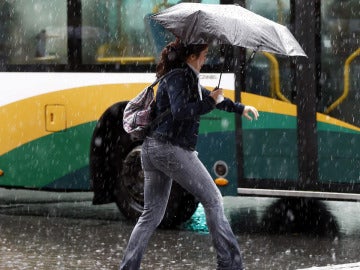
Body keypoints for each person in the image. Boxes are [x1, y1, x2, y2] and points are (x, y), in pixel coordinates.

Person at [119, 38, 259, 270]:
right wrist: (209, 103)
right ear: (191, 57)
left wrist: (240, 108)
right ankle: (230, 265)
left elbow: (212, 98)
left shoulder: (185, 77)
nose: (206, 59)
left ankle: (128, 267)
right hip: (169, 148)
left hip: (153, 149)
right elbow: (181, 111)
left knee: (151, 214)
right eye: (203, 55)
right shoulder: (179, 77)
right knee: (213, 199)